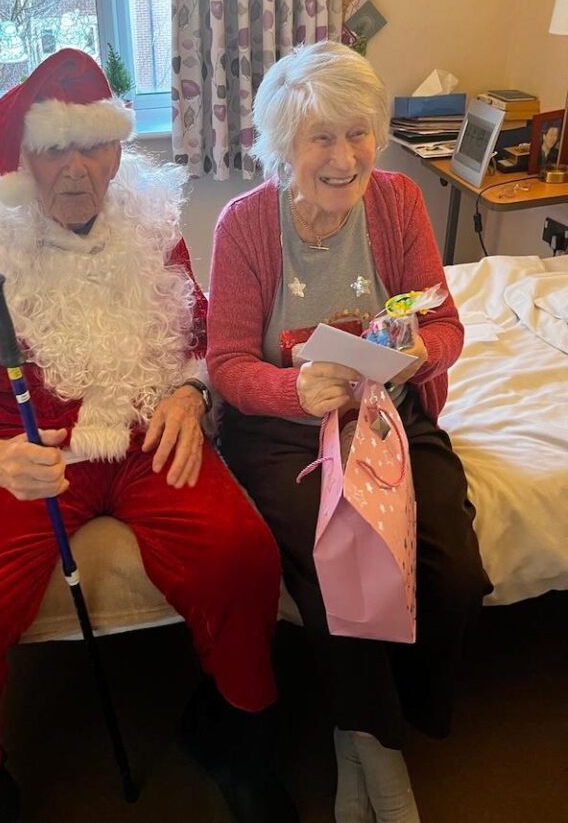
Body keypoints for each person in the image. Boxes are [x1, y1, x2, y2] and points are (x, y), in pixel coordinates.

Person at [0, 49, 297, 823]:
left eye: (93, 146)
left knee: (243, 558)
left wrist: (191, 394)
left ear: (117, 148)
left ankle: (236, 735)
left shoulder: (153, 226)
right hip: (22, 455)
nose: (75, 170)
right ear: (21, 159)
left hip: (145, 436)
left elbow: (204, 332)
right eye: (53, 150)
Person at [206, 41, 492, 823]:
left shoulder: (397, 202)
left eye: (358, 132)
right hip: (281, 428)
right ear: (283, 146)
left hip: (385, 414)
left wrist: (413, 355)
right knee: (340, 566)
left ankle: (379, 716)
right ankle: (373, 749)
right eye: (320, 138)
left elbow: (446, 325)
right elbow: (225, 362)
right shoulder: (245, 225)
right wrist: (291, 389)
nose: (344, 157)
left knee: (455, 572)